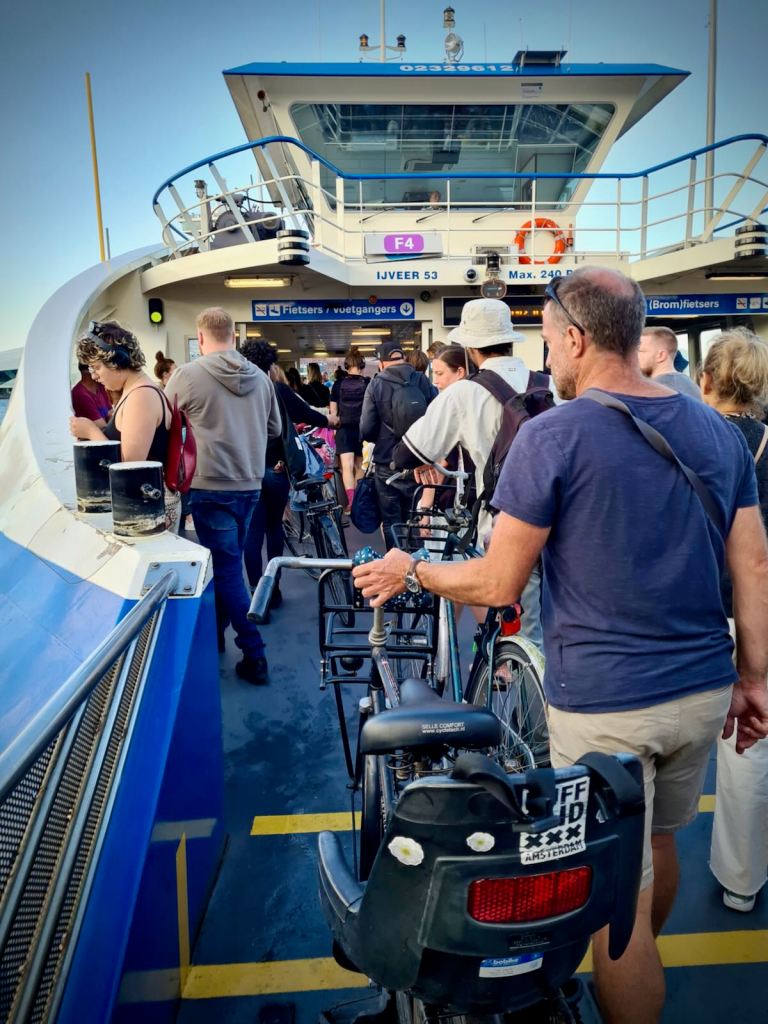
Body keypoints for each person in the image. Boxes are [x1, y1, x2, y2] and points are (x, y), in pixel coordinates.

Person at [353, 267, 768, 1024]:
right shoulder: (714, 430)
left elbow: (499, 584)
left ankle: (630, 955)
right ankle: (642, 944)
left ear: (575, 338)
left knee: (616, 903)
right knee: (664, 839)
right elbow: (754, 563)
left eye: (549, 343)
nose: (548, 361)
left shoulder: (554, 436)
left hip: (609, 708)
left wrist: (410, 566)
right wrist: (755, 678)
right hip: (704, 690)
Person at [391, 298, 552, 648]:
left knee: (521, 632)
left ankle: (510, 678)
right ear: (510, 340)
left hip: (506, 525)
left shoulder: (464, 393)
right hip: (562, 521)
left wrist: (421, 463)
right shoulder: (549, 386)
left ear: (469, 348)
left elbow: (405, 453)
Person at [165, 308, 281, 685]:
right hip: (249, 484)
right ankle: (217, 635)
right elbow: (275, 428)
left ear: (200, 338)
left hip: (209, 486)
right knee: (226, 564)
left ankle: (255, 653)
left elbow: (162, 422)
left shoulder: (188, 376)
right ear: (233, 335)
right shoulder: (261, 379)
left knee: (227, 569)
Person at [701, 328, 768, 913]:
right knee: (752, 743)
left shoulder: (688, 441)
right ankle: (742, 880)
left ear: (705, 380)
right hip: (761, 608)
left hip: (699, 612)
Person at [241, 341, 335, 602]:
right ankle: (273, 589)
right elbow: (304, 413)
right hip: (277, 468)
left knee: (253, 531)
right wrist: (329, 420)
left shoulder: (237, 390)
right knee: (274, 529)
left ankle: (253, 590)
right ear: (269, 364)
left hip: (246, 470)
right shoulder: (276, 389)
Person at [69, 321, 180, 531]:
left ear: (117, 360)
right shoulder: (136, 392)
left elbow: (129, 466)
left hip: (146, 509)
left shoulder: (141, 396)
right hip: (145, 506)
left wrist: (92, 432)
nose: (94, 375)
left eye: (97, 367)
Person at [360, 339, 435, 549]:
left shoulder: (376, 384)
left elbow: (366, 428)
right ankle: (420, 568)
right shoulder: (421, 380)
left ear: (382, 363)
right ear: (403, 358)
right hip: (419, 461)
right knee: (418, 517)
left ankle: (398, 571)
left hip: (387, 461)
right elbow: (435, 417)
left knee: (393, 521)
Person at [330, 347, 369, 512]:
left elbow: (333, 412)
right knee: (360, 465)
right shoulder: (368, 383)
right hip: (362, 429)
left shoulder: (338, 384)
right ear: (362, 365)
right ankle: (359, 502)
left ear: (346, 365)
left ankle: (350, 502)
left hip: (344, 429)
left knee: (346, 466)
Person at [637, 325, 701, 398]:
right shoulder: (694, 387)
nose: (634, 357)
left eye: (640, 351)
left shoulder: (648, 392)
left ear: (661, 355)